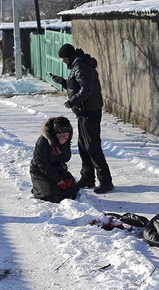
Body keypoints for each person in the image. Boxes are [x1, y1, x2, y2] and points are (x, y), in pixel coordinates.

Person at [51, 43, 114, 194]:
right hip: (83, 111)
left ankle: (105, 181)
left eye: (63, 59)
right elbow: (77, 86)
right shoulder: (77, 65)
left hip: (90, 111)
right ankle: (87, 177)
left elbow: (87, 89)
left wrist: (73, 102)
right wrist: (64, 82)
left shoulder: (81, 66)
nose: (63, 62)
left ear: (67, 57)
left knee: (92, 146)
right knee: (83, 145)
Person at [30, 116, 79, 203]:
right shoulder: (42, 141)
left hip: (57, 169)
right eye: (61, 135)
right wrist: (58, 180)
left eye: (66, 134)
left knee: (72, 191)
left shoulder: (66, 139)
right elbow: (42, 165)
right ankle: (37, 188)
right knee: (53, 196)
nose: (64, 137)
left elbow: (66, 158)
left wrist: (63, 146)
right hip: (40, 171)